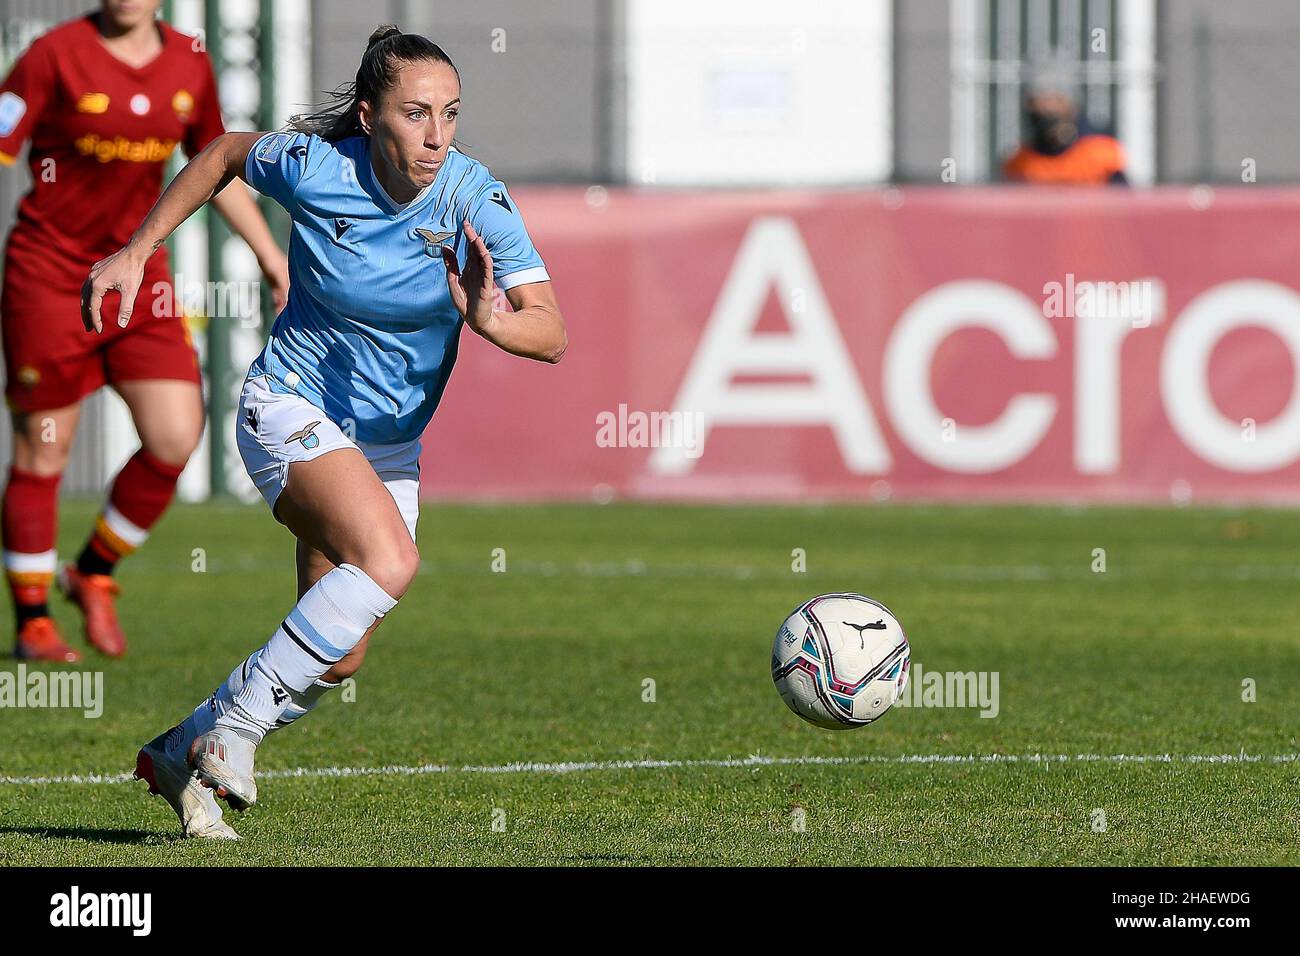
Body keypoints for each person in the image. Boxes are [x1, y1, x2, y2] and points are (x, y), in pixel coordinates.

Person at [83, 25, 566, 839]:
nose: (437, 136)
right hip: (288, 407)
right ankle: (234, 729)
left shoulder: (473, 197)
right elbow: (223, 154)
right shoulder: (315, 167)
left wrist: (488, 318)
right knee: (391, 560)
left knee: (336, 655)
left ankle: (178, 749)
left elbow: (550, 332)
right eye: (416, 114)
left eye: (450, 114)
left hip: (388, 448)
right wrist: (138, 249)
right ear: (372, 114)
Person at [0, 0, 289, 663]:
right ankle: (35, 621)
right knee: (45, 449)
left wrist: (273, 258)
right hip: (48, 280)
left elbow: (216, 166)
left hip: (137, 276)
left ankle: (94, 571)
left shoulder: (189, 60)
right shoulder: (53, 56)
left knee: (175, 432)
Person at [1003, 85, 1128, 185]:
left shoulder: (1100, 154)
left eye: (1052, 101)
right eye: (1035, 103)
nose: (1043, 109)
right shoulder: (1019, 163)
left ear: (1070, 107)